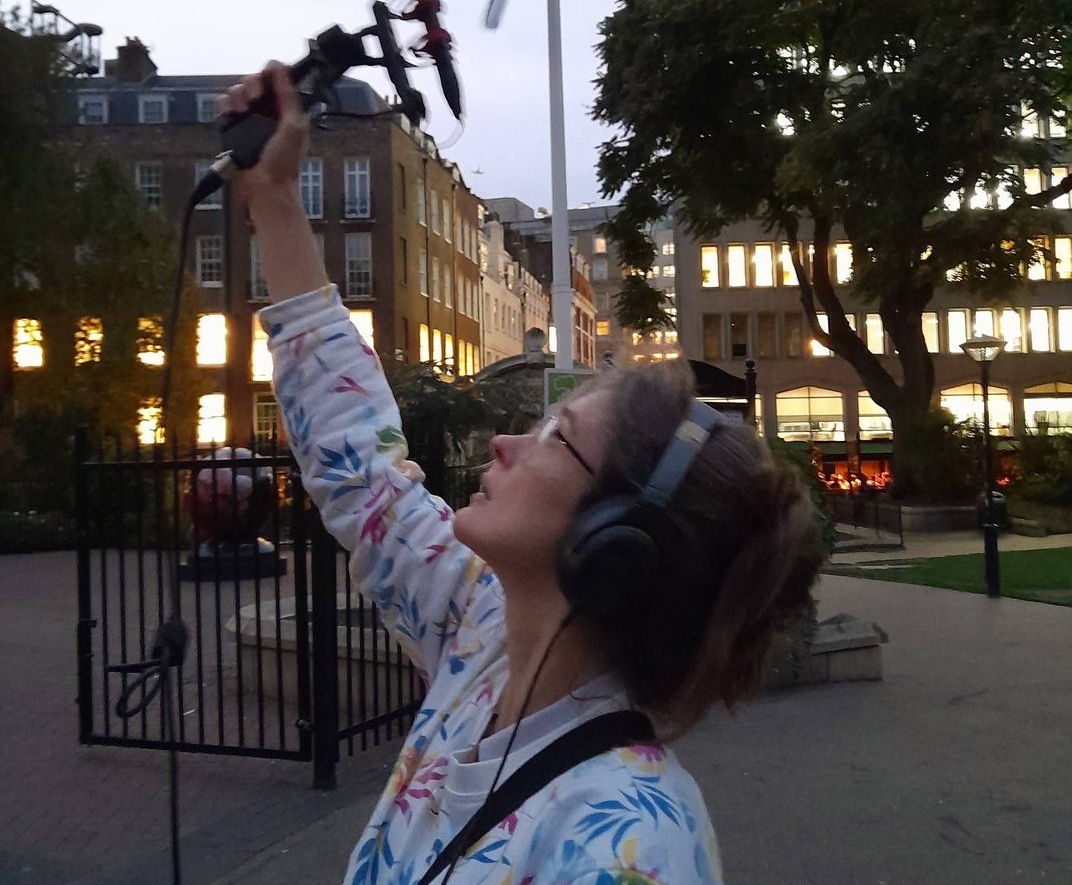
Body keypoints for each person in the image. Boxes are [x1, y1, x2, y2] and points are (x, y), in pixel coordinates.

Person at [225, 64, 825, 885]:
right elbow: (360, 468)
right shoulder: (480, 640)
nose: (507, 442)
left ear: (616, 544)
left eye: (555, 436)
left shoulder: (632, 848)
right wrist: (272, 197)